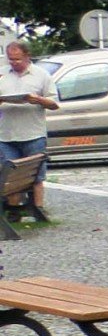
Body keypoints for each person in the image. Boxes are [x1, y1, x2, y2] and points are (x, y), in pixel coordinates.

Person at [0, 39, 59, 218]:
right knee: (10, 177)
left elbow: (54, 104)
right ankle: (13, 211)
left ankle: (38, 209)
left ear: (27, 56)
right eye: (10, 59)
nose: (14, 63)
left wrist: (38, 100)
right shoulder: (2, 74)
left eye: (17, 59)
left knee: (36, 176)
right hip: (6, 135)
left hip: (33, 133)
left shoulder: (42, 75)